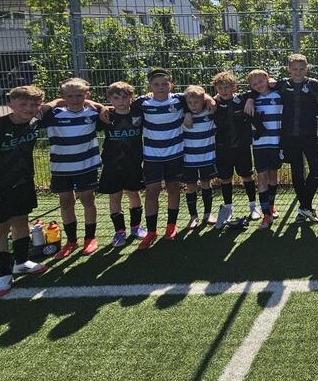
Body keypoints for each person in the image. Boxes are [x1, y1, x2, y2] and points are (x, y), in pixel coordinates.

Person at [118, 68, 214, 249]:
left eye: (164, 84)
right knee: (152, 191)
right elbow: (120, 107)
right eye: (156, 84)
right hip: (152, 156)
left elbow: (202, 96)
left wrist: (206, 101)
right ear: (149, 86)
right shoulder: (142, 102)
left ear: (171, 84)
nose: (161, 87)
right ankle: (152, 231)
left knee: (173, 189)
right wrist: (100, 109)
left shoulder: (179, 99)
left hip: (175, 154)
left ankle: (171, 226)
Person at [0, 85, 47, 298]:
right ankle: (4, 275)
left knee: (21, 222)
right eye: (22, 104)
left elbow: (57, 102)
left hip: (22, 183)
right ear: (10, 104)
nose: (28, 108)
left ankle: (21, 263)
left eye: (33, 104)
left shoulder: (35, 121)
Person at [266, 54, 318, 223]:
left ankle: (304, 207)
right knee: (297, 173)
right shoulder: (282, 85)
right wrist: (251, 99)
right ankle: (305, 209)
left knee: (316, 169)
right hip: (289, 137)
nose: (298, 72)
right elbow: (259, 89)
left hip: (310, 136)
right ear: (289, 69)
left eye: (302, 68)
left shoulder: (314, 84)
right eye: (295, 69)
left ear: (306, 68)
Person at [42, 77, 103, 258]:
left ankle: (90, 238)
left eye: (79, 95)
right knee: (66, 202)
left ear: (87, 95)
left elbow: (112, 109)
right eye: (69, 96)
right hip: (62, 168)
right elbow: (38, 110)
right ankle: (71, 240)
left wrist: (98, 106)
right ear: (62, 97)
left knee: (87, 200)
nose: (75, 99)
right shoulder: (52, 115)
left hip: (87, 166)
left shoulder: (93, 115)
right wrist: (56, 102)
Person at [97, 81, 145, 246]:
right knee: (115, 196)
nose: (121, 101)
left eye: (125, 97)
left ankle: (136, 227)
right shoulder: (106, 116)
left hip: (133, 163)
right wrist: (101, 107)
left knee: (134, 193)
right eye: (116, 97)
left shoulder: (139, 114)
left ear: (131, 98)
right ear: (110, 99)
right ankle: (119, 231)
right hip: (112, 164)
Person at [210, 71, 259, 219]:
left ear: (234, 88)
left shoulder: (242, 99)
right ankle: (228, 208)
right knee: (225, 178)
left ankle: (253, 206)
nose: (224, 91)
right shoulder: (214, 103)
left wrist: (250, 99)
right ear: (216, 89)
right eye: (221, 88)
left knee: (247, 176)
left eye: (227, 87)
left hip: (242, 146)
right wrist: (209, 99)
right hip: (222, 147)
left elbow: (258, 89)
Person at [246, 69, 282, 227]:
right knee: (262, 177)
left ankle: (271, 207)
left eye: (261, 81)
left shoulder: (279, 94)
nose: (258, 85)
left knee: (273, 176)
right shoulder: (250, 98)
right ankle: (266, 215)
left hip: (277, 143)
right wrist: (249, 99)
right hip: (259, 144)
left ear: (268, 79)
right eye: (254, 84)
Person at [182, 85, 218, 230]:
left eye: (196, 102)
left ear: (203, 101)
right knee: (190, 187)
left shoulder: (210, 113)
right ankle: (193, 216)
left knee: (205, 184)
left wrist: (209, 98)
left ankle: (208, 214)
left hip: (206, 157)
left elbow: (218, 100)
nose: (193, 106)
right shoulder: (181, 115)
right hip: (188, 159)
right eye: (190, 103)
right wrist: (187, 113)